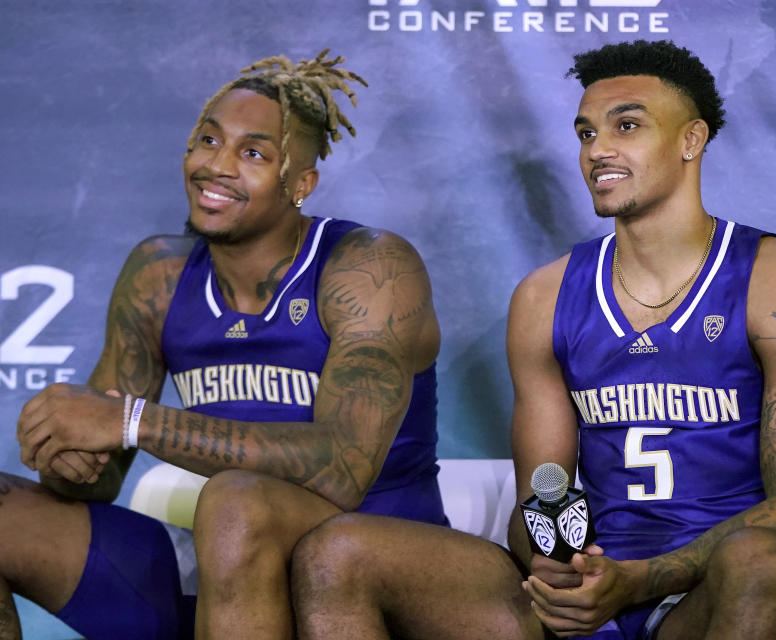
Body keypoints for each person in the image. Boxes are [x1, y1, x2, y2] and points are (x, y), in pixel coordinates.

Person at [289, 39, 776, 640]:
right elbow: (543, 495)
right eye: (585, 134)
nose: (598, 150)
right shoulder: (545, 296)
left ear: (692, 140)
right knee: (337, 551)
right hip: (597, 594)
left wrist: (640, 579)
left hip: (711, 598)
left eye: (626, 126)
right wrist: (557, 565)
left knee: (764, 563)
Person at [3, 49, 447, 640]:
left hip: (366, 559)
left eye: (254, 153)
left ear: (300, 184)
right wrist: (68, 456)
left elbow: (342, 470)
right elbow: (104, 472)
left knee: (238, 502)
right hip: (228, 570)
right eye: (208, 141)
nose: (217, 166)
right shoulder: (158, 274)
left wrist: (131, 422)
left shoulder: (367, 266)